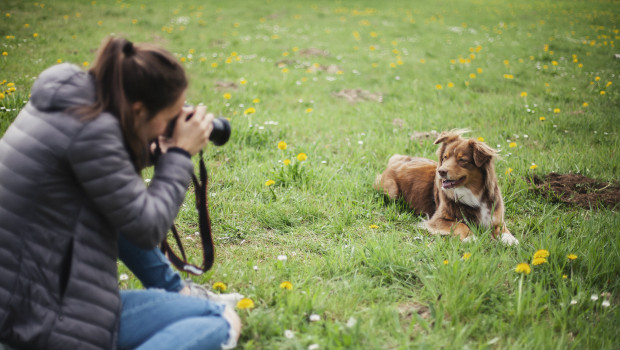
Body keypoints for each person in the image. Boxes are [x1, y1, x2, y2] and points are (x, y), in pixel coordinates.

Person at [0, 36, 241, 350]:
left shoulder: (71, 105)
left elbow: (109, 184)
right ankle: (178, 293)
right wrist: (178, 156)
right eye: (169, 117)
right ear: (139, 110)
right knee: (221, 320)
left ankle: (174, 289)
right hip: (44, 320)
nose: (171, 125)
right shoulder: (94, 132)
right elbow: (145, 227)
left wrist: (152, 149)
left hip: (23, 302)